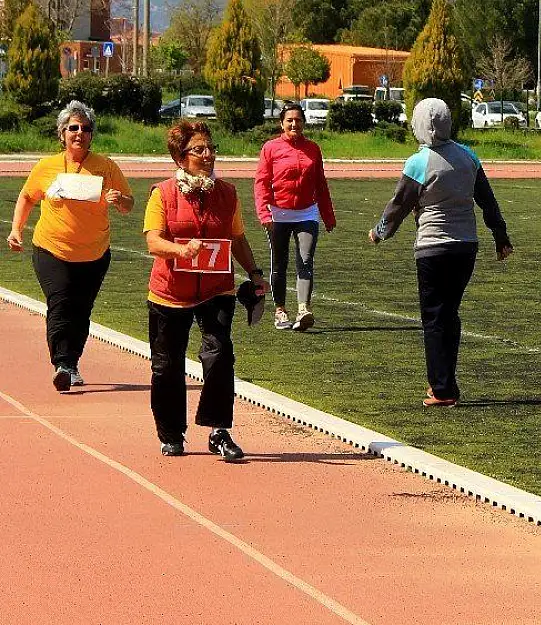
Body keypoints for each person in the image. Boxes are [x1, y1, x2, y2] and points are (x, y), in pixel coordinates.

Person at [369, 98, 512, 407]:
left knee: (434, 317)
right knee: (449, 314)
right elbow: (488, 200)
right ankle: (447, 381)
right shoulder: (468, 157)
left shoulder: (418, 162)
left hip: (433, 247)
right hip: (465, 247)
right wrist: (500, 236)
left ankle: (442, 388)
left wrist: (380, 232)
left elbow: (399, 205)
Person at [144, 120, 269, 460]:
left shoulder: (227, 193)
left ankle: (218, 430)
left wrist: (255, 274)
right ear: (180, 157)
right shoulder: (163, 193)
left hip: (217, 288)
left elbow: (237, 238)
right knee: (166, 365)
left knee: (220, 355)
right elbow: (153, 240)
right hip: (169, 291)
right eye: (199, 150)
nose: (208, 155)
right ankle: (171, 433)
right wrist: (179, 251)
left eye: (211, 148)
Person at [6, 100, 134, 392]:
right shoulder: (47, 166)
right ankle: (62, 363)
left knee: (81, 309)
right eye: (73, 128)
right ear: (61, 133)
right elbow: (27, 197)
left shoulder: (106, 167)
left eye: (86, 128)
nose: (79, 133)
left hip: (94, 253)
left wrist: (120, 200)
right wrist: (16, 230)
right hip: (52, 249)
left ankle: (72, 362)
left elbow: (128, 204)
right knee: (60, 303)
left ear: (92, 134)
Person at [254, 102, 336, 331]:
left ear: (303, 123)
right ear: (282, 123)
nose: (294, 124)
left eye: (298, 120)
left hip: (306, 214)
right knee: (279, 265)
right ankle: (280, 311)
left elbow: (321, 184)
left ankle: (303, 309)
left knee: (306, 261)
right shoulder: (270, 148)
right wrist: (264, 213)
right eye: (289, 120)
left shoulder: (313, 149)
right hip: (277, 214)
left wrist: (328, 216)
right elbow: (261, 183)